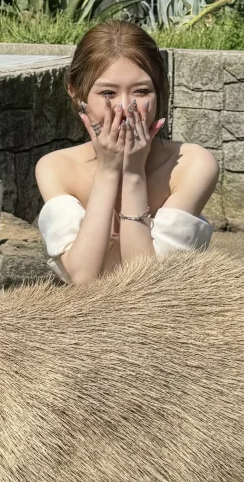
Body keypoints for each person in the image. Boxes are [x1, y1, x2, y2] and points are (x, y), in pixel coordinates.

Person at [35, 21, 220, 285]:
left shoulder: (192, 164)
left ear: (160, 92)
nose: (124, 108)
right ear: (76, 94)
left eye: (142, 91)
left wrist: (133, 174)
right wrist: (108, 171)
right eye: (108, 92)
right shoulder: (56, 167)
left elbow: (146, 284)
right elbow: (83, 279)